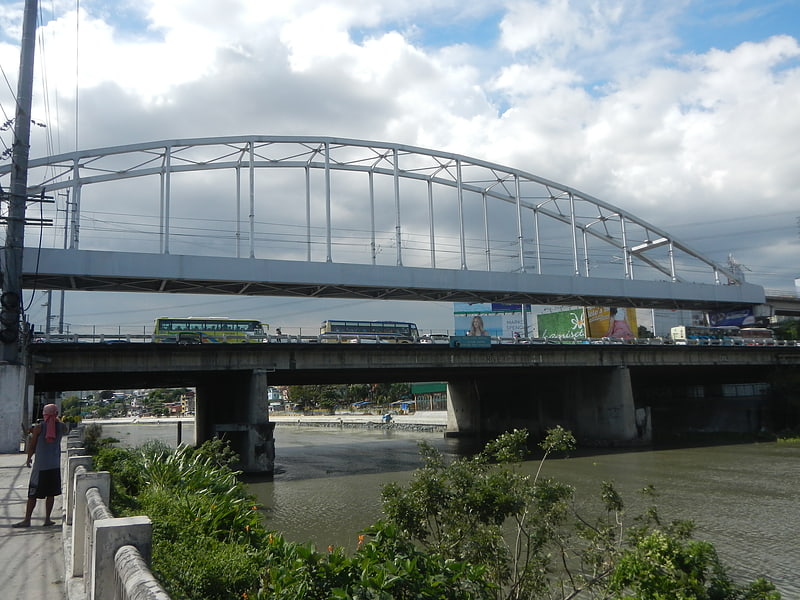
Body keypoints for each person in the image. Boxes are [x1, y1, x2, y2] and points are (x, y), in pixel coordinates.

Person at [13, 404, 68, 528]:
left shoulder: (39, 428)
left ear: (44, 414)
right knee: (51, 494)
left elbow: (32, 446)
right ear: (56, 414)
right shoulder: (62, 427)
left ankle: (27, 520)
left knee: (33, 494)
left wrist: (28, 459)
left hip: (40, 467)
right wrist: (56, 419)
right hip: (54, 466)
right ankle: (47, 519)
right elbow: (60, 426)